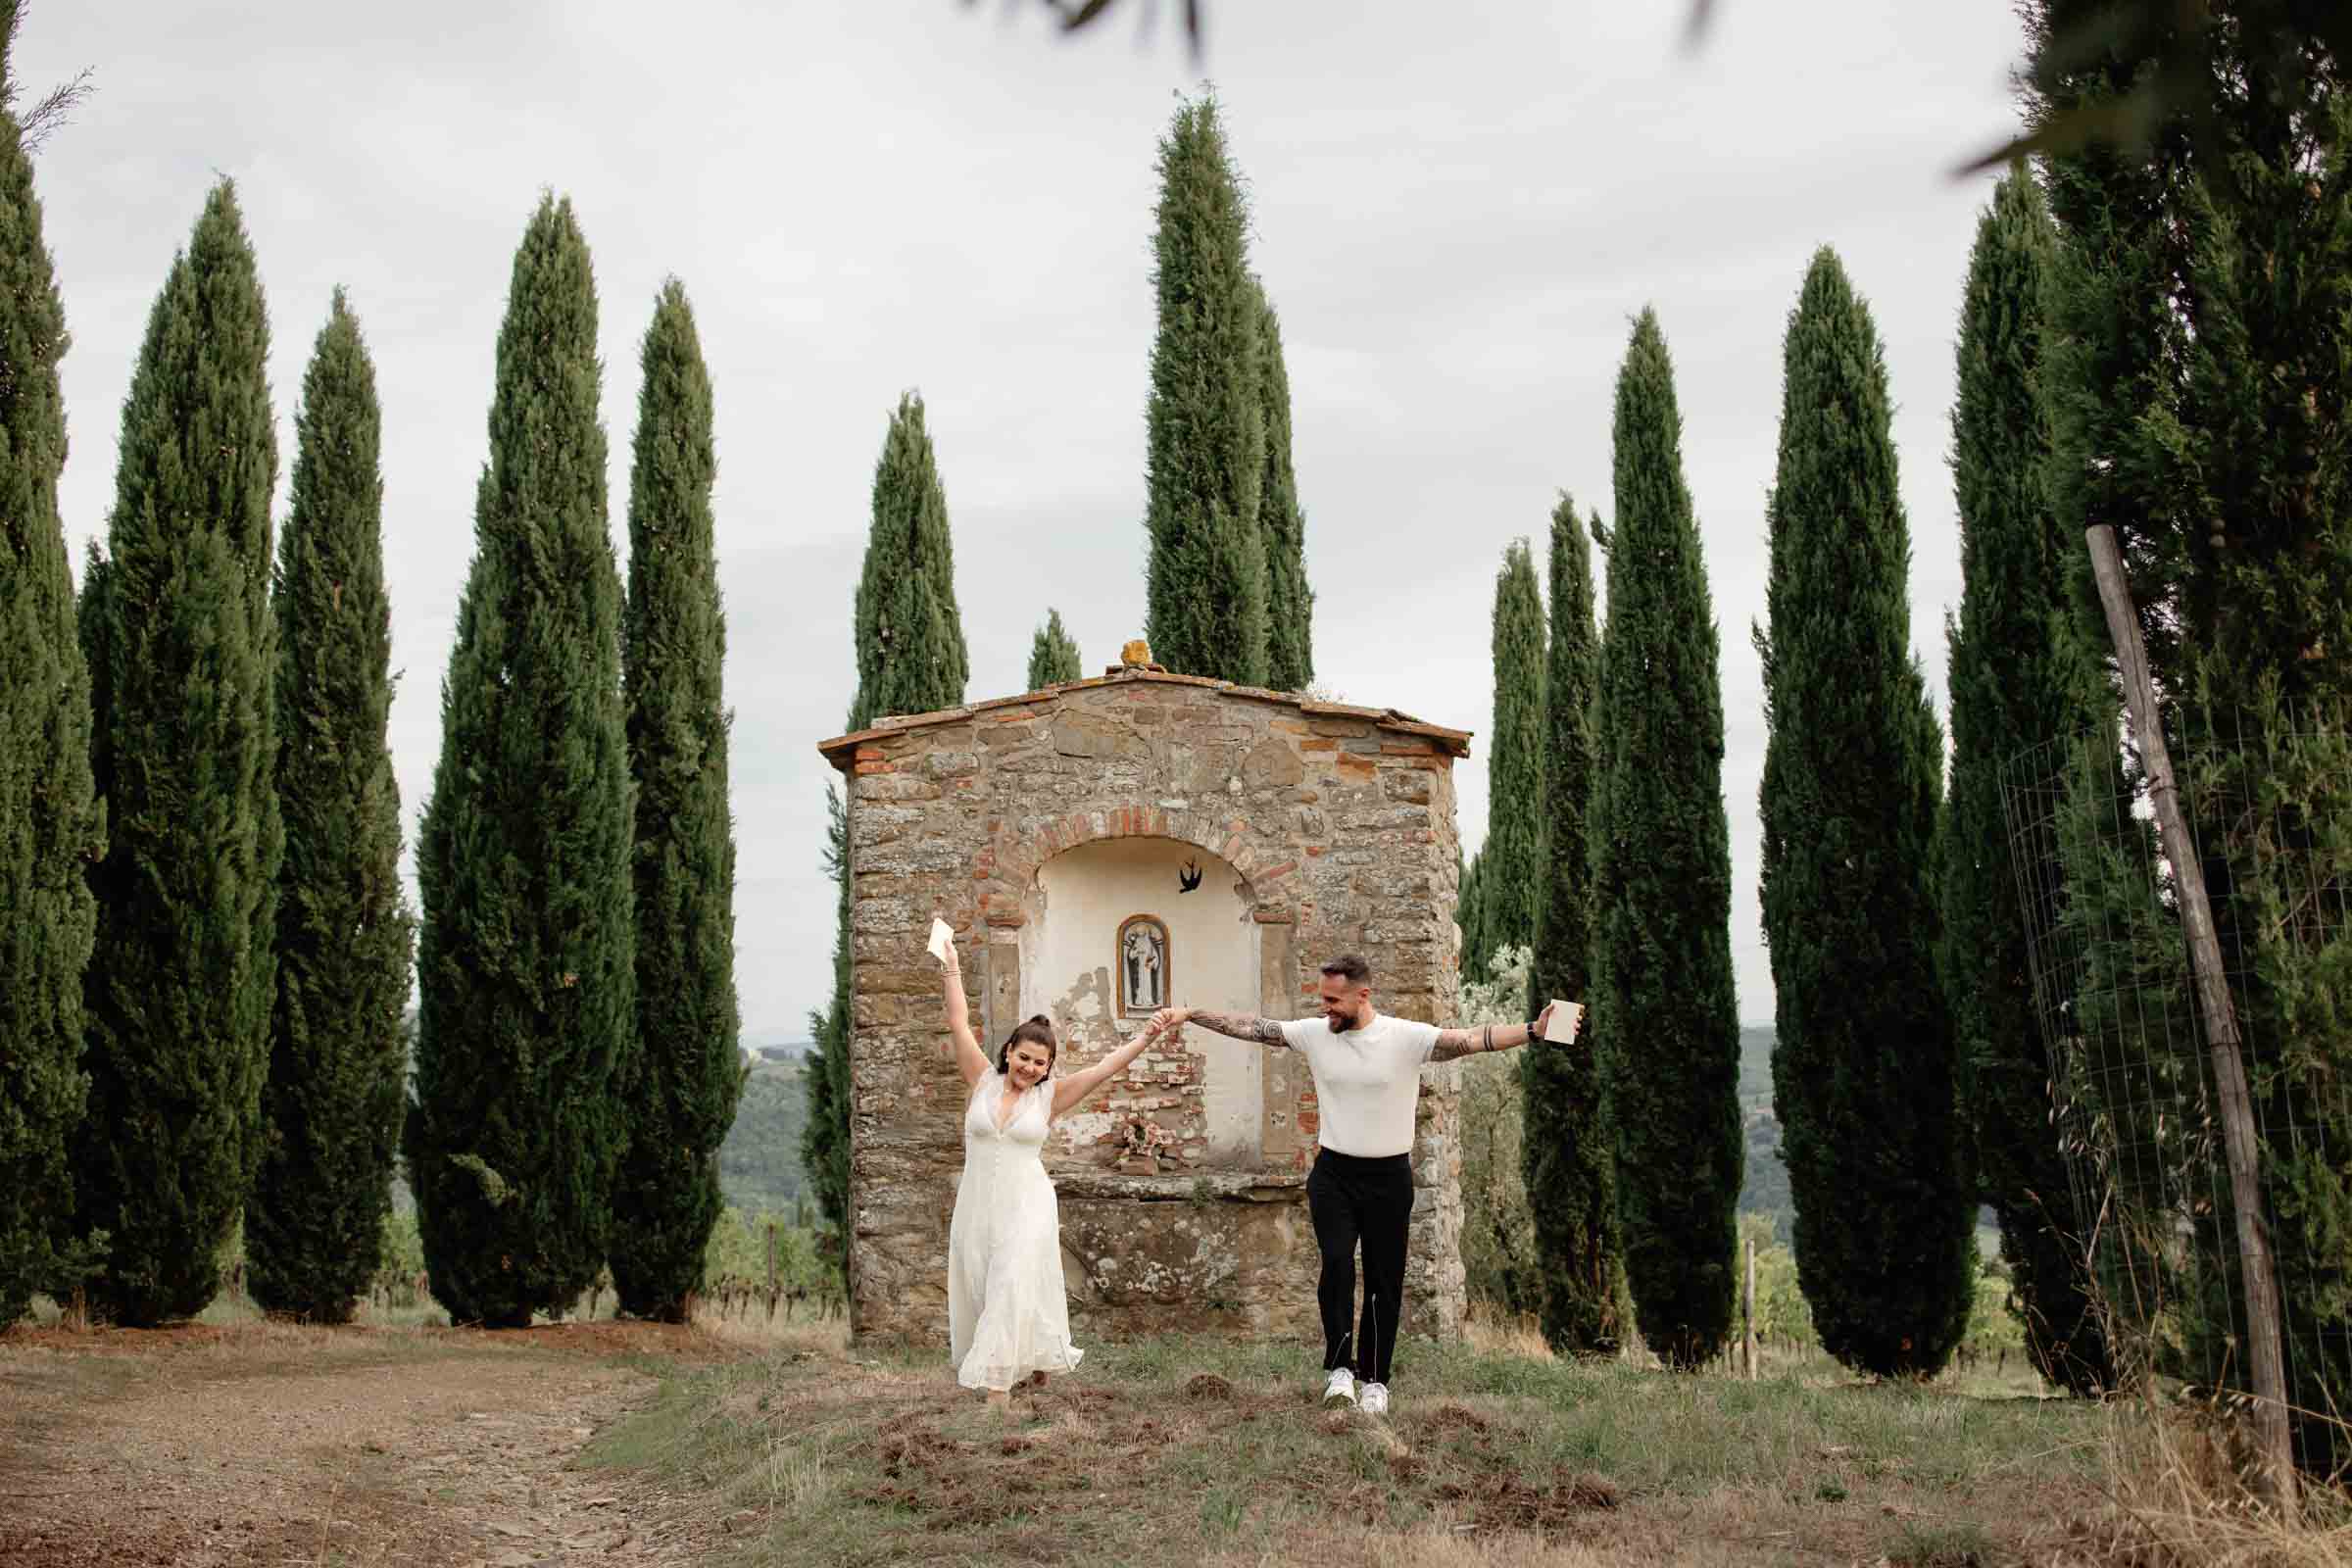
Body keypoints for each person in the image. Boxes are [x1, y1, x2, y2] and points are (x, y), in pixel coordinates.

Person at [1159, 954, 1571, 1417]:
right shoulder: (1315, 1034)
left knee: (1383, 1280)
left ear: (1363, 995)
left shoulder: (1404, 1038)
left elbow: (1471, 1040)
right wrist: (1192, 1015)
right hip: (1333, 1174)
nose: (1327, 1008)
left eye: (1334, 1000)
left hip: (1389, 1179)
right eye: (1323, 1000)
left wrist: (1533, 1031)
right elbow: (1256, 1028)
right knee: (1336, 1264)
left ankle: (1375, 1380)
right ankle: (1339, 1370)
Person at [939, 933, 1178, 1410]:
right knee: (982, 1284)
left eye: (1039, 1062)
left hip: (1026, 1203)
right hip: (978, 1202)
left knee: (1009, 1282)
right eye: (1023, 1057)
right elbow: (958, 1022)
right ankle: (1030, 1361)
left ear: (1048, 1068)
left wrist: (1148, 1035)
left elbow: (1107, 1068)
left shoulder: (1051, 1096)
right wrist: (951, 965)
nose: (1029, 1067)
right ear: (1009, 1052)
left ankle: (997, 1393)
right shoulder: (981, 1079)